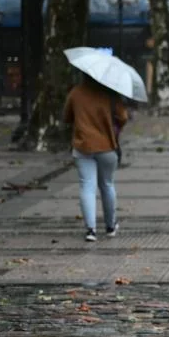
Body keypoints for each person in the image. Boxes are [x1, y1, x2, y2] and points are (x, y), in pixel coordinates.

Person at [63, 73, 128, 242]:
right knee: (107, 184)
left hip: (83, 146)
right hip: (107, 146)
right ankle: (110, 226)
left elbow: (66, 117)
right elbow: (123, 117)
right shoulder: (110, 93)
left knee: (87, 186)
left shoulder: (76, 93)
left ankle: (91, 230)